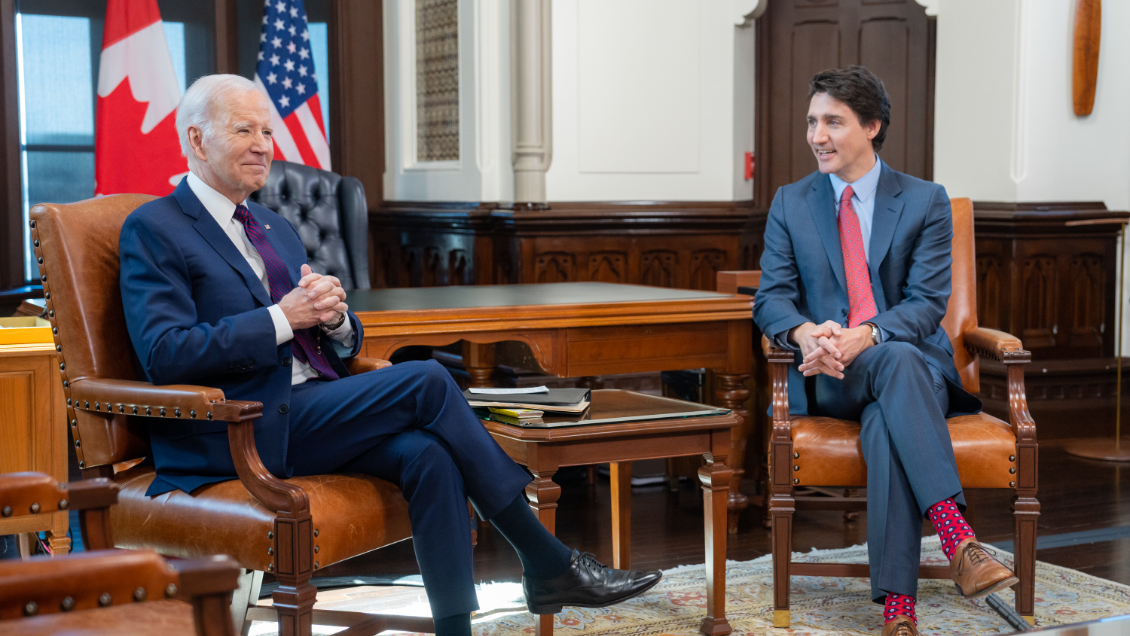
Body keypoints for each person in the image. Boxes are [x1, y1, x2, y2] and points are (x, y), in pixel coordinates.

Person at [118, 74, 661, 636]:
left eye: (267, 131)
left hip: (308, 408)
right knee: (426, 379)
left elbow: (328, 339)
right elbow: (166, 353)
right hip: (236, 426)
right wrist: (287, 317)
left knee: (428, 454)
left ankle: (457, 629)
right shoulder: (154, 228)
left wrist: (335, 320)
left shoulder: (275, 229)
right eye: (243, 130)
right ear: (196, 141)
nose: (263, 144)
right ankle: (546, 558)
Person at [752, 66, 1017, 636]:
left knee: (886, 409)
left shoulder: (924, 201)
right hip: (832, 377)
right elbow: (770, 298)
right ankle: (957, 538)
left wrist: (867, 334)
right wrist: (806, 334)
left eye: (832, 122)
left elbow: (926, 304)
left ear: (872, 126)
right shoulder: (791, 203)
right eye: (812, 122)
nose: (816, 136)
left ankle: (900, 611)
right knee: (885, 383)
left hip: (909, 370)